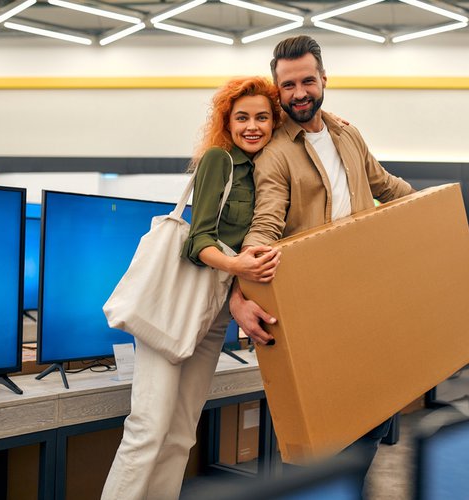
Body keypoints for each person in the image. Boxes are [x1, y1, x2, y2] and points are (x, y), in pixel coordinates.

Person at [228, 35, 415, 496]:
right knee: (314, 443)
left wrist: (438, 222)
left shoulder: (348, 134)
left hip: (367, 300)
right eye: (287, 85)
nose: (299, 93)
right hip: (314, 309)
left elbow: (387, 186)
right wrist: (241, 294)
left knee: (373, 422)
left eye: (307, 80)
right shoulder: (276, 152)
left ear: (323, 79)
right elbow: (264, 224)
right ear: (278, 90)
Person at [101, 76, 282, 500]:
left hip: (214, 316)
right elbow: (197, 240)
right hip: (176, 307)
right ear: (227, 122)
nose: (252, 126)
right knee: (147, 429)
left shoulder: (270, 173)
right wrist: (236, 263)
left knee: (182, 433)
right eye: (242, 117)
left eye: (262, 117)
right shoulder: (219, 160)